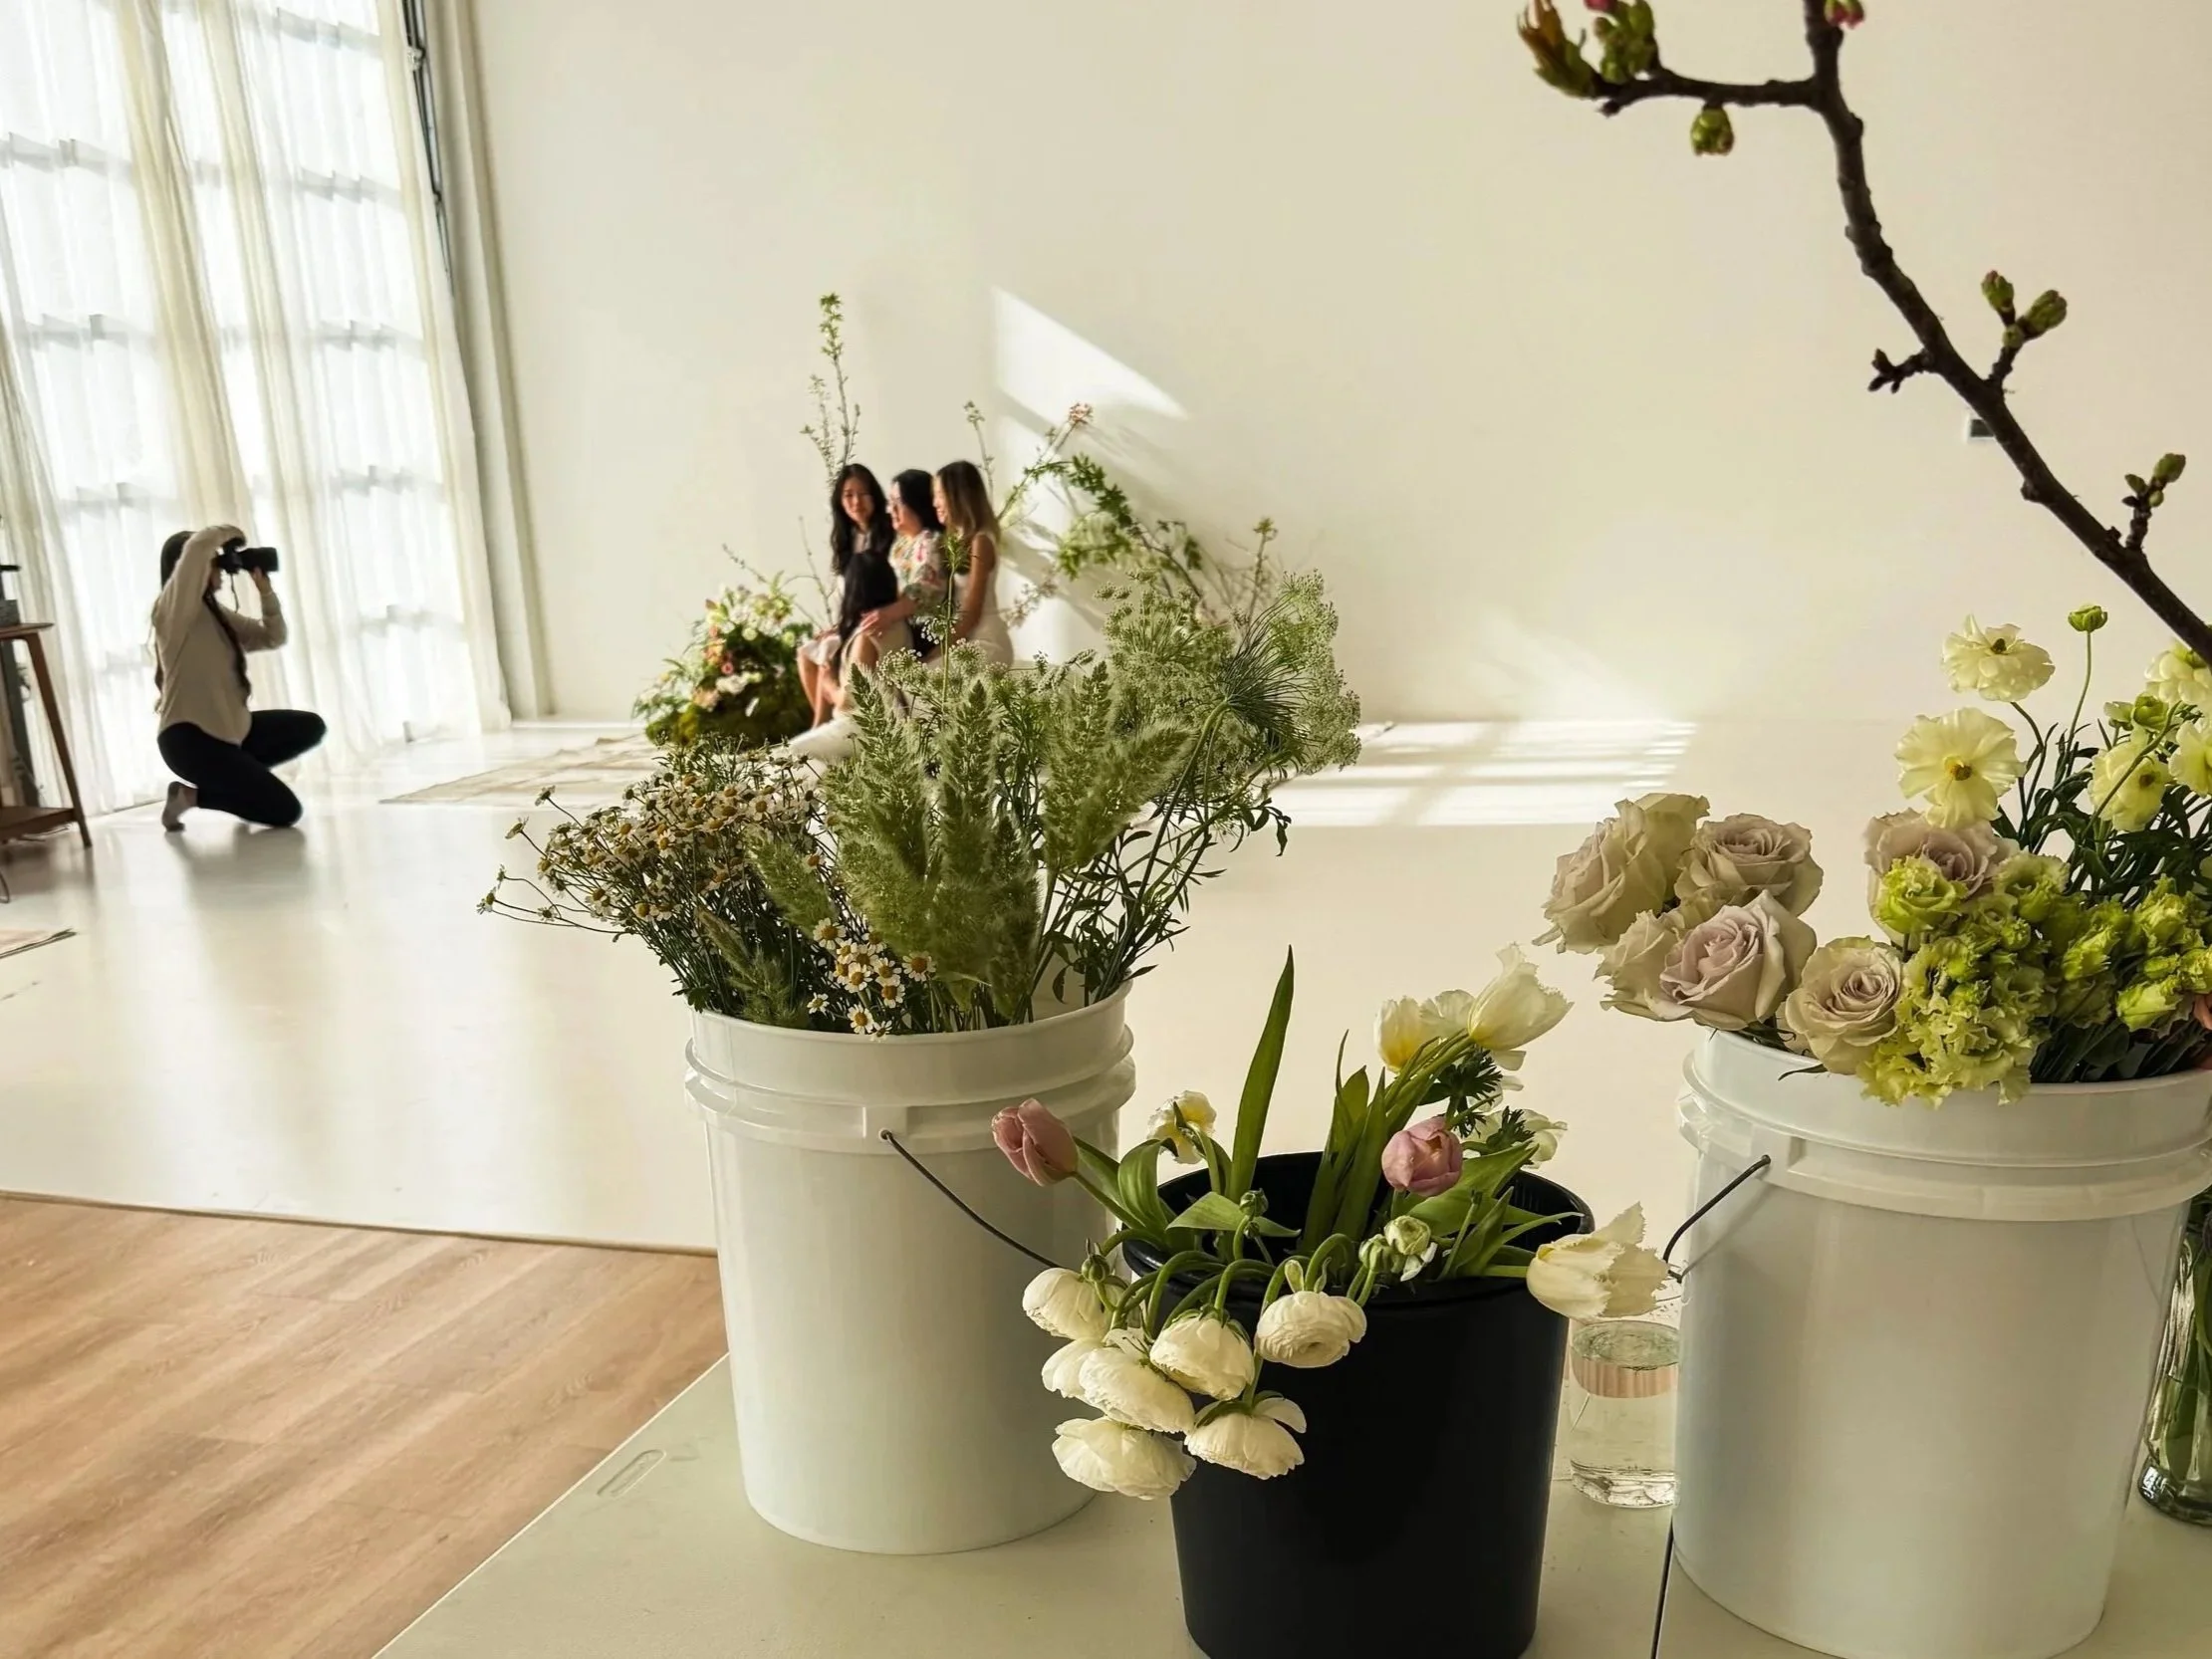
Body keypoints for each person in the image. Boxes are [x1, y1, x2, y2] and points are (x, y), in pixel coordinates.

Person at [151, 525, 325, 830]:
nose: (220, 567)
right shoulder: (171, 612)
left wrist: (265, 592)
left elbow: (272, 636)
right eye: (214, 562)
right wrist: (230, 533)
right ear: (192, 570)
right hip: (190, 742)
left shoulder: (214, 613)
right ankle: (189, 797)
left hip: (231, 734)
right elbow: (198, 547)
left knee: (309, 726)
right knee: (285, 811)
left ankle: (240, 782)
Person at [799, 464, 895, 724]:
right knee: (807, 652)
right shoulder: (846, 539)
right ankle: (824, 724)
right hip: (849, 619)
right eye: (848, 495)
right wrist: (837, 625)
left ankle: (827, 725)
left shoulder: (888, 532)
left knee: (827, 655)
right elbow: (845, 594)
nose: (856, 502)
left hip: (875, 617)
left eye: (863, 494)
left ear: (875, 495)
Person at [857, 469, 949, 659]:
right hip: (898, 623)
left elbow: (922, 592)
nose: (891, 509)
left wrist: (886, 615)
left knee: (865, 636)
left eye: (897, 502)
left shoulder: (931, 541)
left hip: (920, 631)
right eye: (890, 502)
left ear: (917, 504)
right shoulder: (900, 545)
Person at [933, 459, 1014, 665]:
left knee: (921, 678)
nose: (935, 503)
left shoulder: (981, 541)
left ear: (958, 496)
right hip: (965, 640)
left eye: (940, 495)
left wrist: (936, 653)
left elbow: (972, 612)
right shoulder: (954, 540)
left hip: (986, 640)